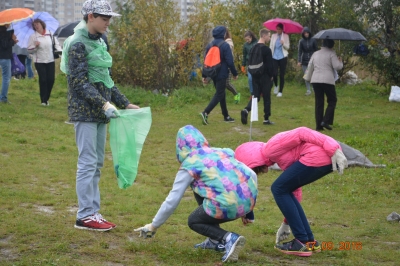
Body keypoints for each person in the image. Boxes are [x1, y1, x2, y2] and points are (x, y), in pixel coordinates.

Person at [60, 0, 140, 231]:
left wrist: (124, 102)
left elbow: (106, 80)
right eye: (104, 18)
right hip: (85, 112)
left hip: (101, 111)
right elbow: (78, 83)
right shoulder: (76, 44)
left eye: (109, 19)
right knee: (86, 163)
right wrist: (105, 104)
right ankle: (84, 215)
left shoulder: (101, 42)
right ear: (91, 16)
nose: (108, 23)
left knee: (97, 164)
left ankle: (92, 212)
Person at [134, 125, 258, 263]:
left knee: (194, 220)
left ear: (180, 147)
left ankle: (228, 238)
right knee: (199, 186)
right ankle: (214, 241)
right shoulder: (220, 152)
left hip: (227, 205)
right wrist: (249, 211)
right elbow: (251, 174)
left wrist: (153, 225)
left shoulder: (189, 165)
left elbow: (172, 199)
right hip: (248, 201)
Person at [235, 127, 348, 257]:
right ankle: (309, 242)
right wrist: (286, 223)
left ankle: (301, 241)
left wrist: (333, 148)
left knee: (278, 188)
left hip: (322, 155)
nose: (262, 172)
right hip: (321, 158)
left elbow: (302, 132)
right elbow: (295, 190)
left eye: (255, 169)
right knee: (283, 188)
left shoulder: (271, 148)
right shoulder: (280, 158)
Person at [200, 26, 238, 125]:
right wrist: (235, 73)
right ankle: (205, 112)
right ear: (224, 34)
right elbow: (230, 61)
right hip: (222, 73)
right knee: (219, 94)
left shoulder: (210, 45)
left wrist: (204, 75)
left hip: (213, 73)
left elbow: (206, 61)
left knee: (221, 93)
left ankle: (226, 115)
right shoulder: (225, 45)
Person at [240, 29, 274, 125]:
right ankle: (266, 118)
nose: (269, 38)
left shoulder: (253, 48)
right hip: (265, 76)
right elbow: (269, 65)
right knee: (266, 97)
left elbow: (249, 62)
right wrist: (271, 76)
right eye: (269, 36)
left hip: (254, 75)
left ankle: (246, 110)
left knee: (255, 97)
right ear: (263, 36)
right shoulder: (267, 50)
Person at [308, 39, 343, 131]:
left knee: (319, 102)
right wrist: (340, 61)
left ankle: (318, 126)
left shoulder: (316, 53)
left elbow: (310, 66)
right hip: (327, 80)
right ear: (331, 45)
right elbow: (337, 67)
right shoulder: (331, 53)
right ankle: (325, 120)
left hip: (315, 79)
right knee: (332, 100)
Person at [27, 18, 61, 106]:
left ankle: (46, 98)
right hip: (39, 61)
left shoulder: (49, 33)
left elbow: (56, 44)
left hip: (50, 60)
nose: (36, 26)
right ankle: (43, 100)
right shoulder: (33, 36)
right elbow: (29, 50)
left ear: (42, 24)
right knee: (43, 80)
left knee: (51, 80)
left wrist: (60, 51)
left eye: (37, 24)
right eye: (34, 25)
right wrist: (35, 46)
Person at [270, 23, 290, 97]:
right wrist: (269, 55)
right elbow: (271, 46)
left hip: (283, 57)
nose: (277, 30)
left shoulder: (285, 36)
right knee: (274, 73)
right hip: (274, 57)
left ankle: (280, 91)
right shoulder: (273, 36)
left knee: (282, 74)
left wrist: (283, 43)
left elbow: (287, 47)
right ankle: (276, 86)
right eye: (277, 29)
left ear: (282, 29)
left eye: (279, 29)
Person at [297, 27, 318, 96]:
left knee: (313, 75)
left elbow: (316, 50)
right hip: (304, 60)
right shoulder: (301, 41)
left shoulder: (313, 40)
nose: (306, 34)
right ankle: (308, 90)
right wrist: (299, 61)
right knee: (306, 75)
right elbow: (299, 52)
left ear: (309, 33)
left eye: (307, 33)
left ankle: (314, 89)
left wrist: (317, 58)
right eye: (305, 33)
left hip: (312, 59)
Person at [0, 24, 18, 103]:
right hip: (4, 57)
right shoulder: (4, 32)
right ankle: (3, 98)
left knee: (6, 77)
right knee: (6, 78)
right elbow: (5, 45)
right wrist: (12, 40)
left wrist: (13, 41)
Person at [224, 28, 240, 104]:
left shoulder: (228, 42)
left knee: (227, 83)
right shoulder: (222, 42)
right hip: (222, 66)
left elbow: (229, 56)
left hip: (229, 66)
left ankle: (237, 95)